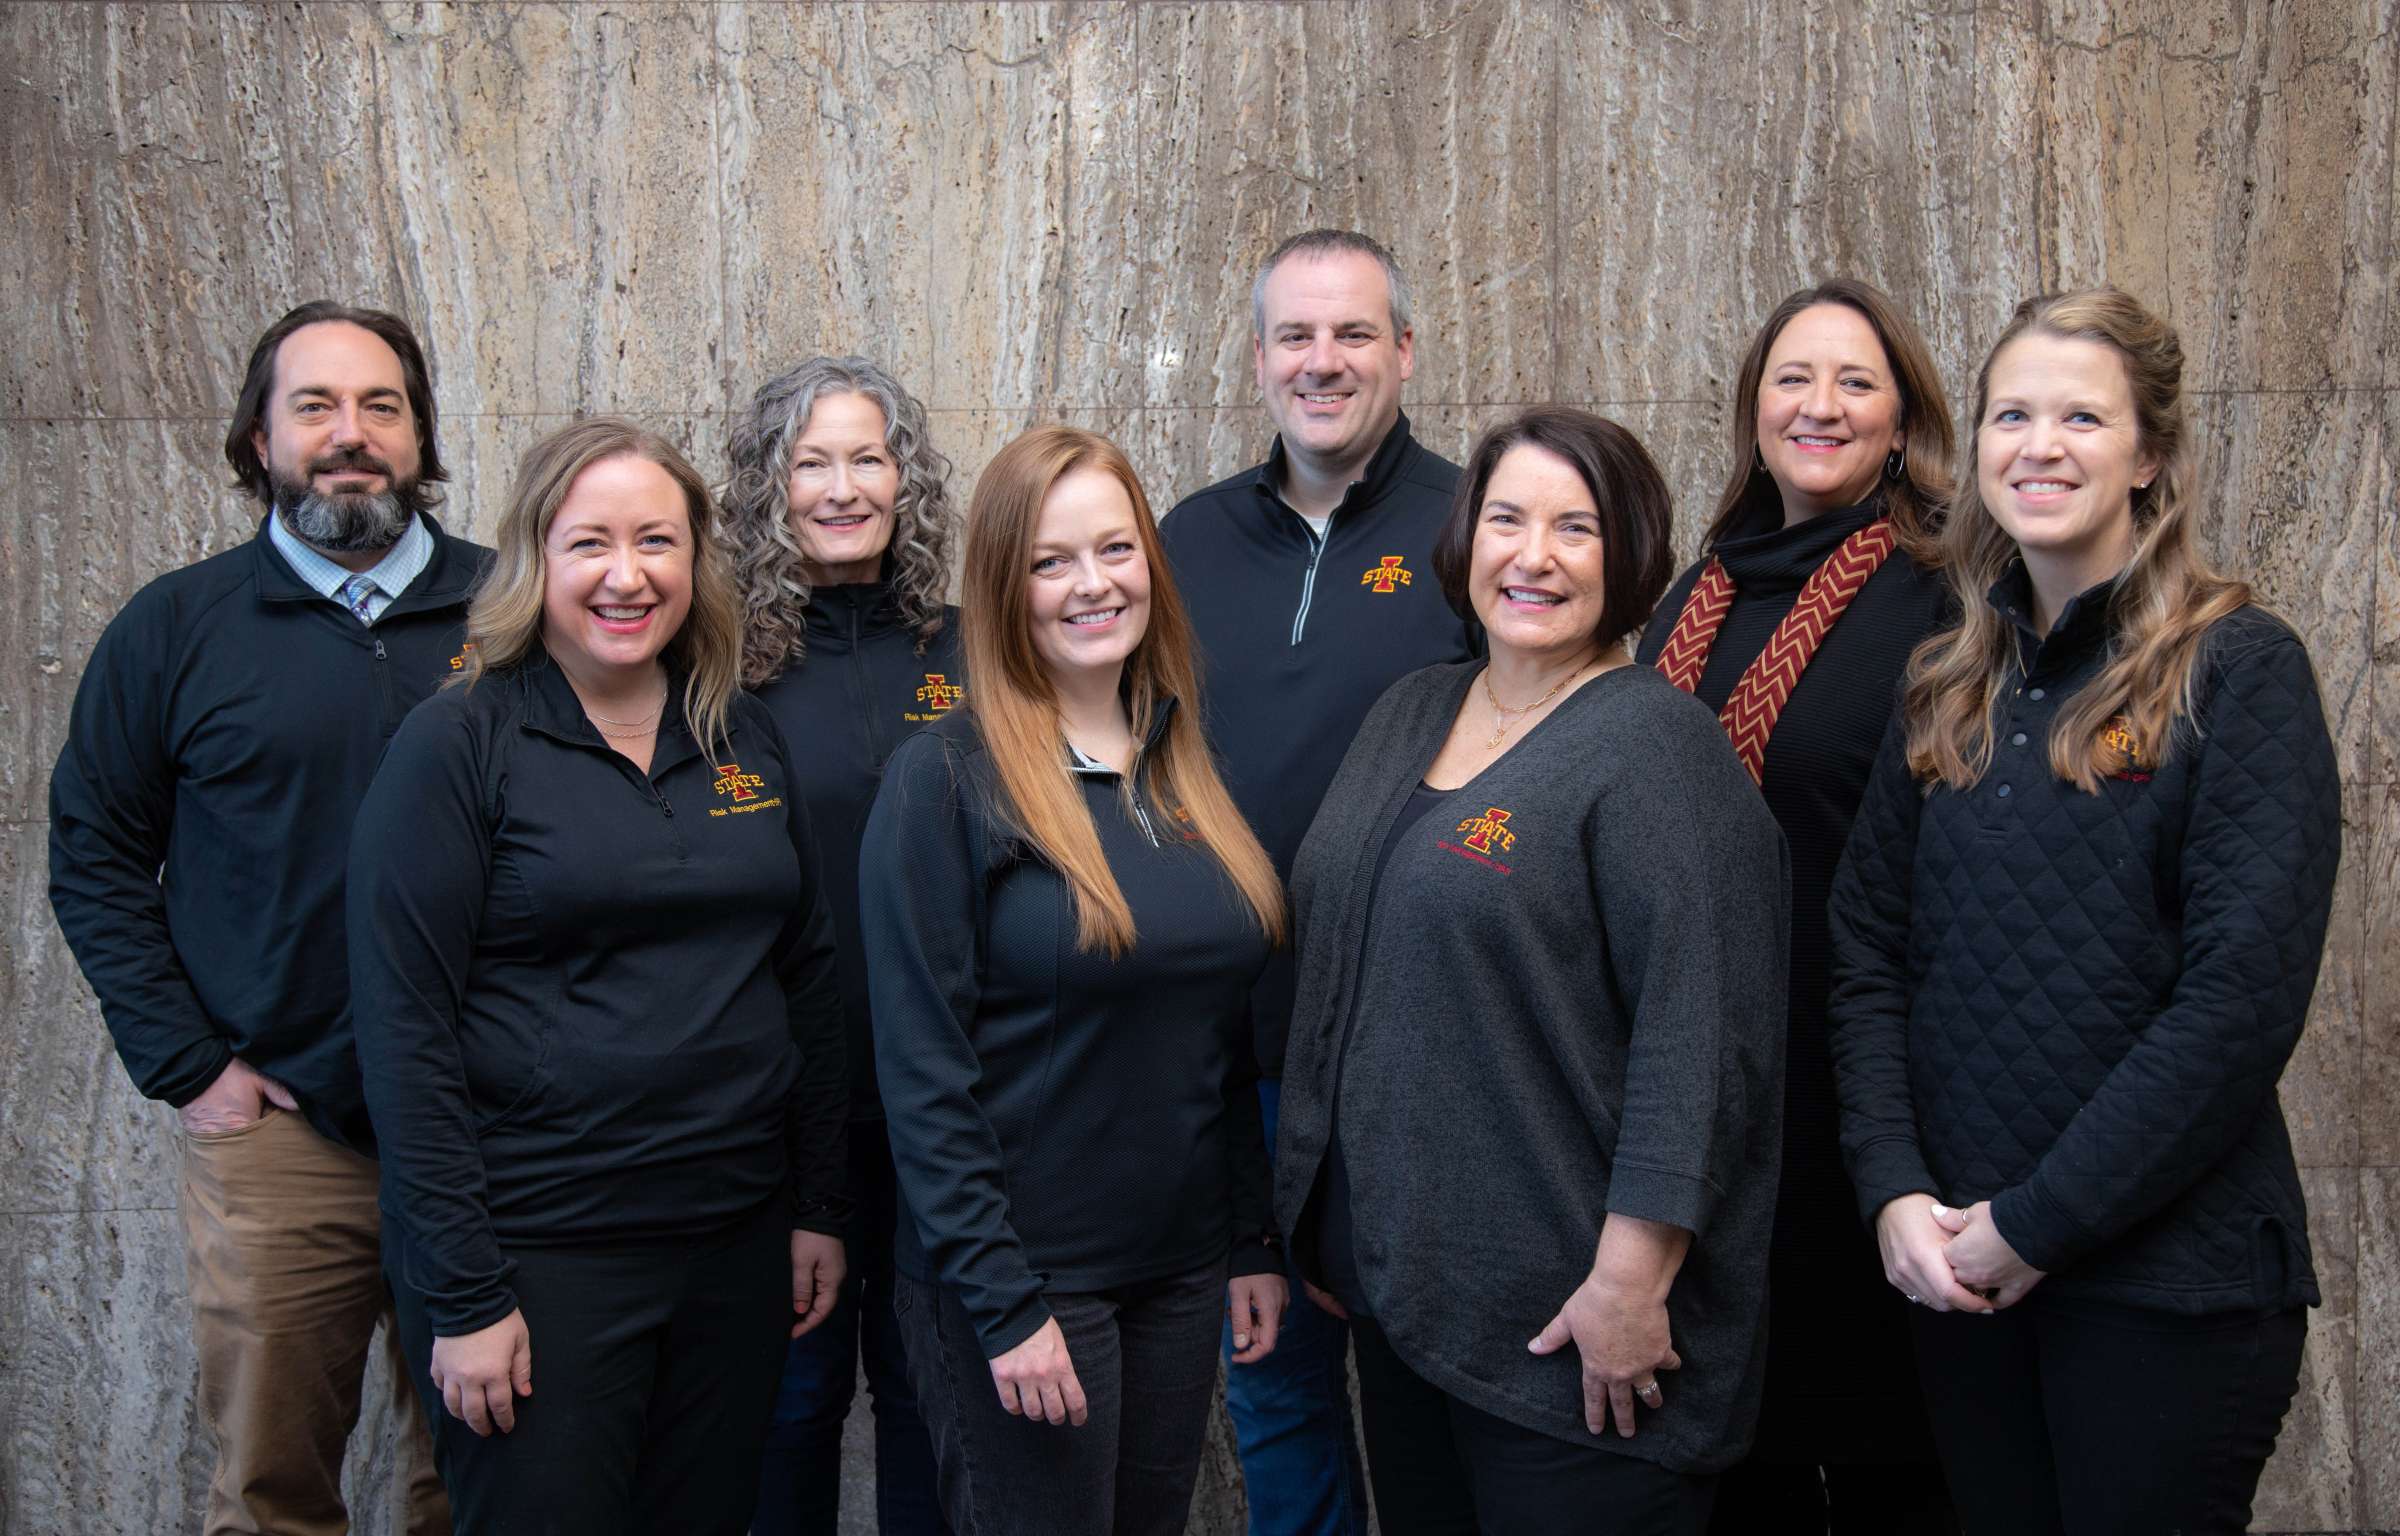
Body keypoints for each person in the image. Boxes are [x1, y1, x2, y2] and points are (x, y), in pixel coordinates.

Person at [1827, 288, 2340, 1536]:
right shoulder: (1949, 680)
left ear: (2149, 455)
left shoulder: (2239, 666)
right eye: (2011, 413)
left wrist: (2036, 1227)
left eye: (2080, 417)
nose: (2037, 445)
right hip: (1962, 1280)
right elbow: (1865, 958)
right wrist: (1897, 1190)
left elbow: (2238, 1004)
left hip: (2166, 1291)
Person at [1276, 407, 1790, 1535]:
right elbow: (1338, 955)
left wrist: (1631, 1280)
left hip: (1575, 1336)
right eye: (1507, 519)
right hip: (1409, 1302)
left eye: (1578, 528)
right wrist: (1316, 1205)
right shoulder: (1411, 709)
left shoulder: (1659, 748)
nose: (1535, 556)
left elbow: (1702, 1039)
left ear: (1632, 554)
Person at [346, 418, 850, 1536]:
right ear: (536, 560)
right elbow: (404, 1032)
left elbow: (805, 975)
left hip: (734, 1244)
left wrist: (817, 1204)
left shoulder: (743, 734)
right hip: (544, 1256)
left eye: (657, 542)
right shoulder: (456, 745)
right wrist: (467, 1293)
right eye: (591, 545)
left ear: (695, 561)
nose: (627, 576)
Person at [47, 300, 477, 1536]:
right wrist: (194, 1070)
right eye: (316, 406)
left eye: (382, 406)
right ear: (257, 440)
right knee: (274, 1489)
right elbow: (96, 856)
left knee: (489, 1481)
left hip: (492, 1123)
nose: (352, 435)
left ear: (420, 436)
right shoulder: (173, 630)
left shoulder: (512, 615)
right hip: (282, 1135)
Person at [863, 425, 1291, 1536]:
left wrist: (1247, 1241)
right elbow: (922, 1075)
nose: (1092, 585)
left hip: (1181, 1270)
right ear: (1005, 589)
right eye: (1052, 561)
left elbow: (1216, 1035)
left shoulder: (1184, 762)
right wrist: (1003, 1307)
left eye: (1115, 549)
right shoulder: (947, 780)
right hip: (1027, 1281)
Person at [1159, 228, 1480, 1536]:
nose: (1324, 360)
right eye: (1296, 335)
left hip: (1414, 1057)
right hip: (1227, 1057)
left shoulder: (1475, 525)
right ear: (1257, 360)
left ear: (1405, 352)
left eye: (1354, 333)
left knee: (1428, 1398)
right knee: (1273, 1396)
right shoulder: (1183, 540)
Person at [1634, 278, 1958, 1534]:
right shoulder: (1691, 595)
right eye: (1793, 378)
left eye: (1856, 383)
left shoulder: (1942, 599)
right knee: (1739, 1466)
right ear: (1753, 407)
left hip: (1860, 1105)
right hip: (1708, 1108)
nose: (1819, 406)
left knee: (1890, 1469)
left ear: (1901, 420)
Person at [723, 354, 962, 1536]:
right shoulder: (716, 673)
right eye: (809, 462)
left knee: (932, 1399)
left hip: (953, 1111)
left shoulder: (973, 655)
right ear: (765, 488)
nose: (841, 486)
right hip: (786, 1117)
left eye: (868, 456)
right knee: (794, 1402)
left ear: (906, 478)